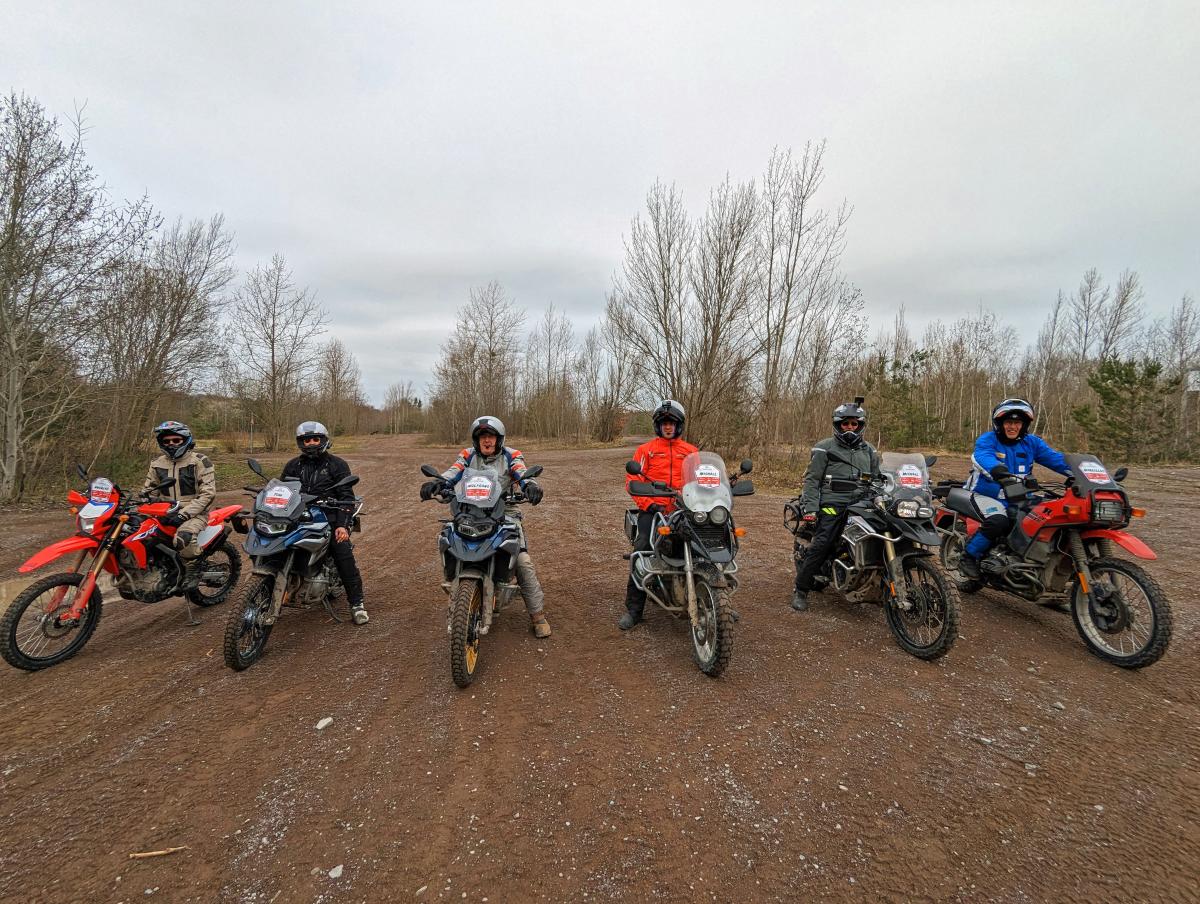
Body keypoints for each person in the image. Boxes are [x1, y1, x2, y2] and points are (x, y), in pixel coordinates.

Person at [420, 416, 551, 638]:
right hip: (470, 510)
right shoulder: (467, 455)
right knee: (450, 540)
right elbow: (453, 472)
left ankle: (537, 615)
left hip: (505, 511)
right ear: (476, 439)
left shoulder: (511, 455)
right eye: (482, 436)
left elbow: (521, 471)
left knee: (522, 560)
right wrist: (438, 483)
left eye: (491, 436)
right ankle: (461, 590)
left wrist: (530, 485)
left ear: (499, 439)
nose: (487, 440)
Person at [958, 398, 1070, 578]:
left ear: (1024, 425)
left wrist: (1085, 473)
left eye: (1017, 423)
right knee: (998, 521)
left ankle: (1030, 558)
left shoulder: (1032, 443)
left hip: (1019, 495)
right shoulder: (988, 439)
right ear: (1000, 424)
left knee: (1049, 516)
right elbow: (983, 456)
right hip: (986, 494)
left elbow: (1056, 460)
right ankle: (968, 556)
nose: (1012, 427)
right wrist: (999, 471)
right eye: (1008, 422)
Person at [791, 399, 880, 612]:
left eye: (854, 424)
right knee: (823, 542)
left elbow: (879, 479)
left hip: (862, 503)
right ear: (838, 425)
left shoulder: (869, 450)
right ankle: (801, 589)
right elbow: (812, 480)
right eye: (845, 423)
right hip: (832, 503)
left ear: (860, 425)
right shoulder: (824, 448)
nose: (850, 427)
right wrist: (811, 509)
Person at [619, 399, 698, 630]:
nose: (668, 426)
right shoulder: (646, 450)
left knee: (708, 544)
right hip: (654, 510)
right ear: (658, 426)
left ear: (679, 425)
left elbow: (701, 480)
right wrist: (650, 504)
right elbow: (632, 481)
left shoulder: (692, 452)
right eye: (664, 423)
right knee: (642, 548)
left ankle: (716, 599)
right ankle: (634, 609)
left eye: (672, 422)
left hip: (685, 510)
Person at [281, 421, 369, 625]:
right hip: (298, 517)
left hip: (330, 517)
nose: (311, 443)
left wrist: (342, 525)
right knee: (276, 545)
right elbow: (283, 491)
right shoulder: (293, 465)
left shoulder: (337, 465)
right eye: (307, 440)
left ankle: (357, 604)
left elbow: (346, 497)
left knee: (343, 554)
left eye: (315, 439)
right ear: (301, 443)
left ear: (324, 440)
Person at [142, 421, 216, 586]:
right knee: (140, 534)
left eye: (176, 440)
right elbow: (150, 491)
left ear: (186, 440)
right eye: (167, 441)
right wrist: (142, 503)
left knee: (184, 538)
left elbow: (208, 494)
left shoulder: (199, 461)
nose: (171, 444)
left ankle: (194, 569)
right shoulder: (157, 463)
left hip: (195, 512)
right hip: (165, 512)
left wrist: (184, 514)